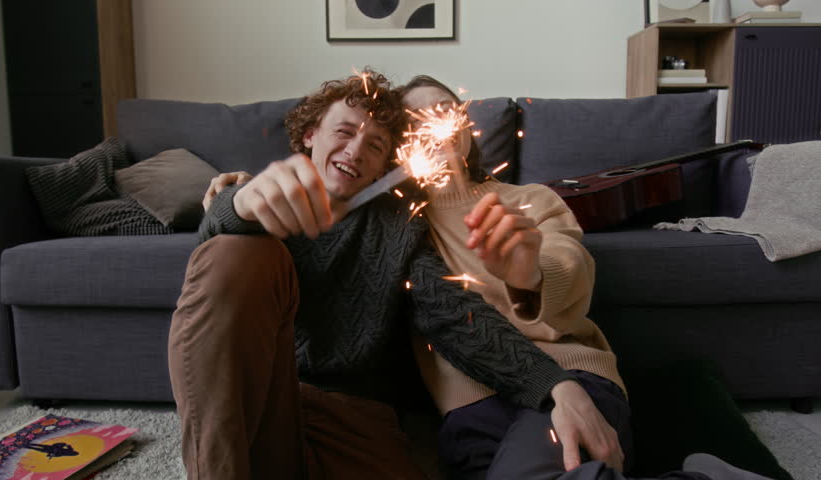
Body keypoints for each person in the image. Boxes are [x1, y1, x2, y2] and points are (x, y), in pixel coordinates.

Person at [171, 69, 618, 480]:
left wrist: (549, 370)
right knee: (233, 251)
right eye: (343, 133)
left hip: (363, 419)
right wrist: (239, 202)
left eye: (375, 145)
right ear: (310, 134)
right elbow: (216, 255)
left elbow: (451, 311)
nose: (354, 152)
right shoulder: (277, 195)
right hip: (277, 398)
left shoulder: (409, 219)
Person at [394, 75, 772, 480]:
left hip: (571, 379)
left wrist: (534, 274)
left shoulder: (532, 199)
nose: (435, 124)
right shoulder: (397, 221)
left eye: (446, 110)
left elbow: (572, 263)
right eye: (416, 118)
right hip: (471, 409)